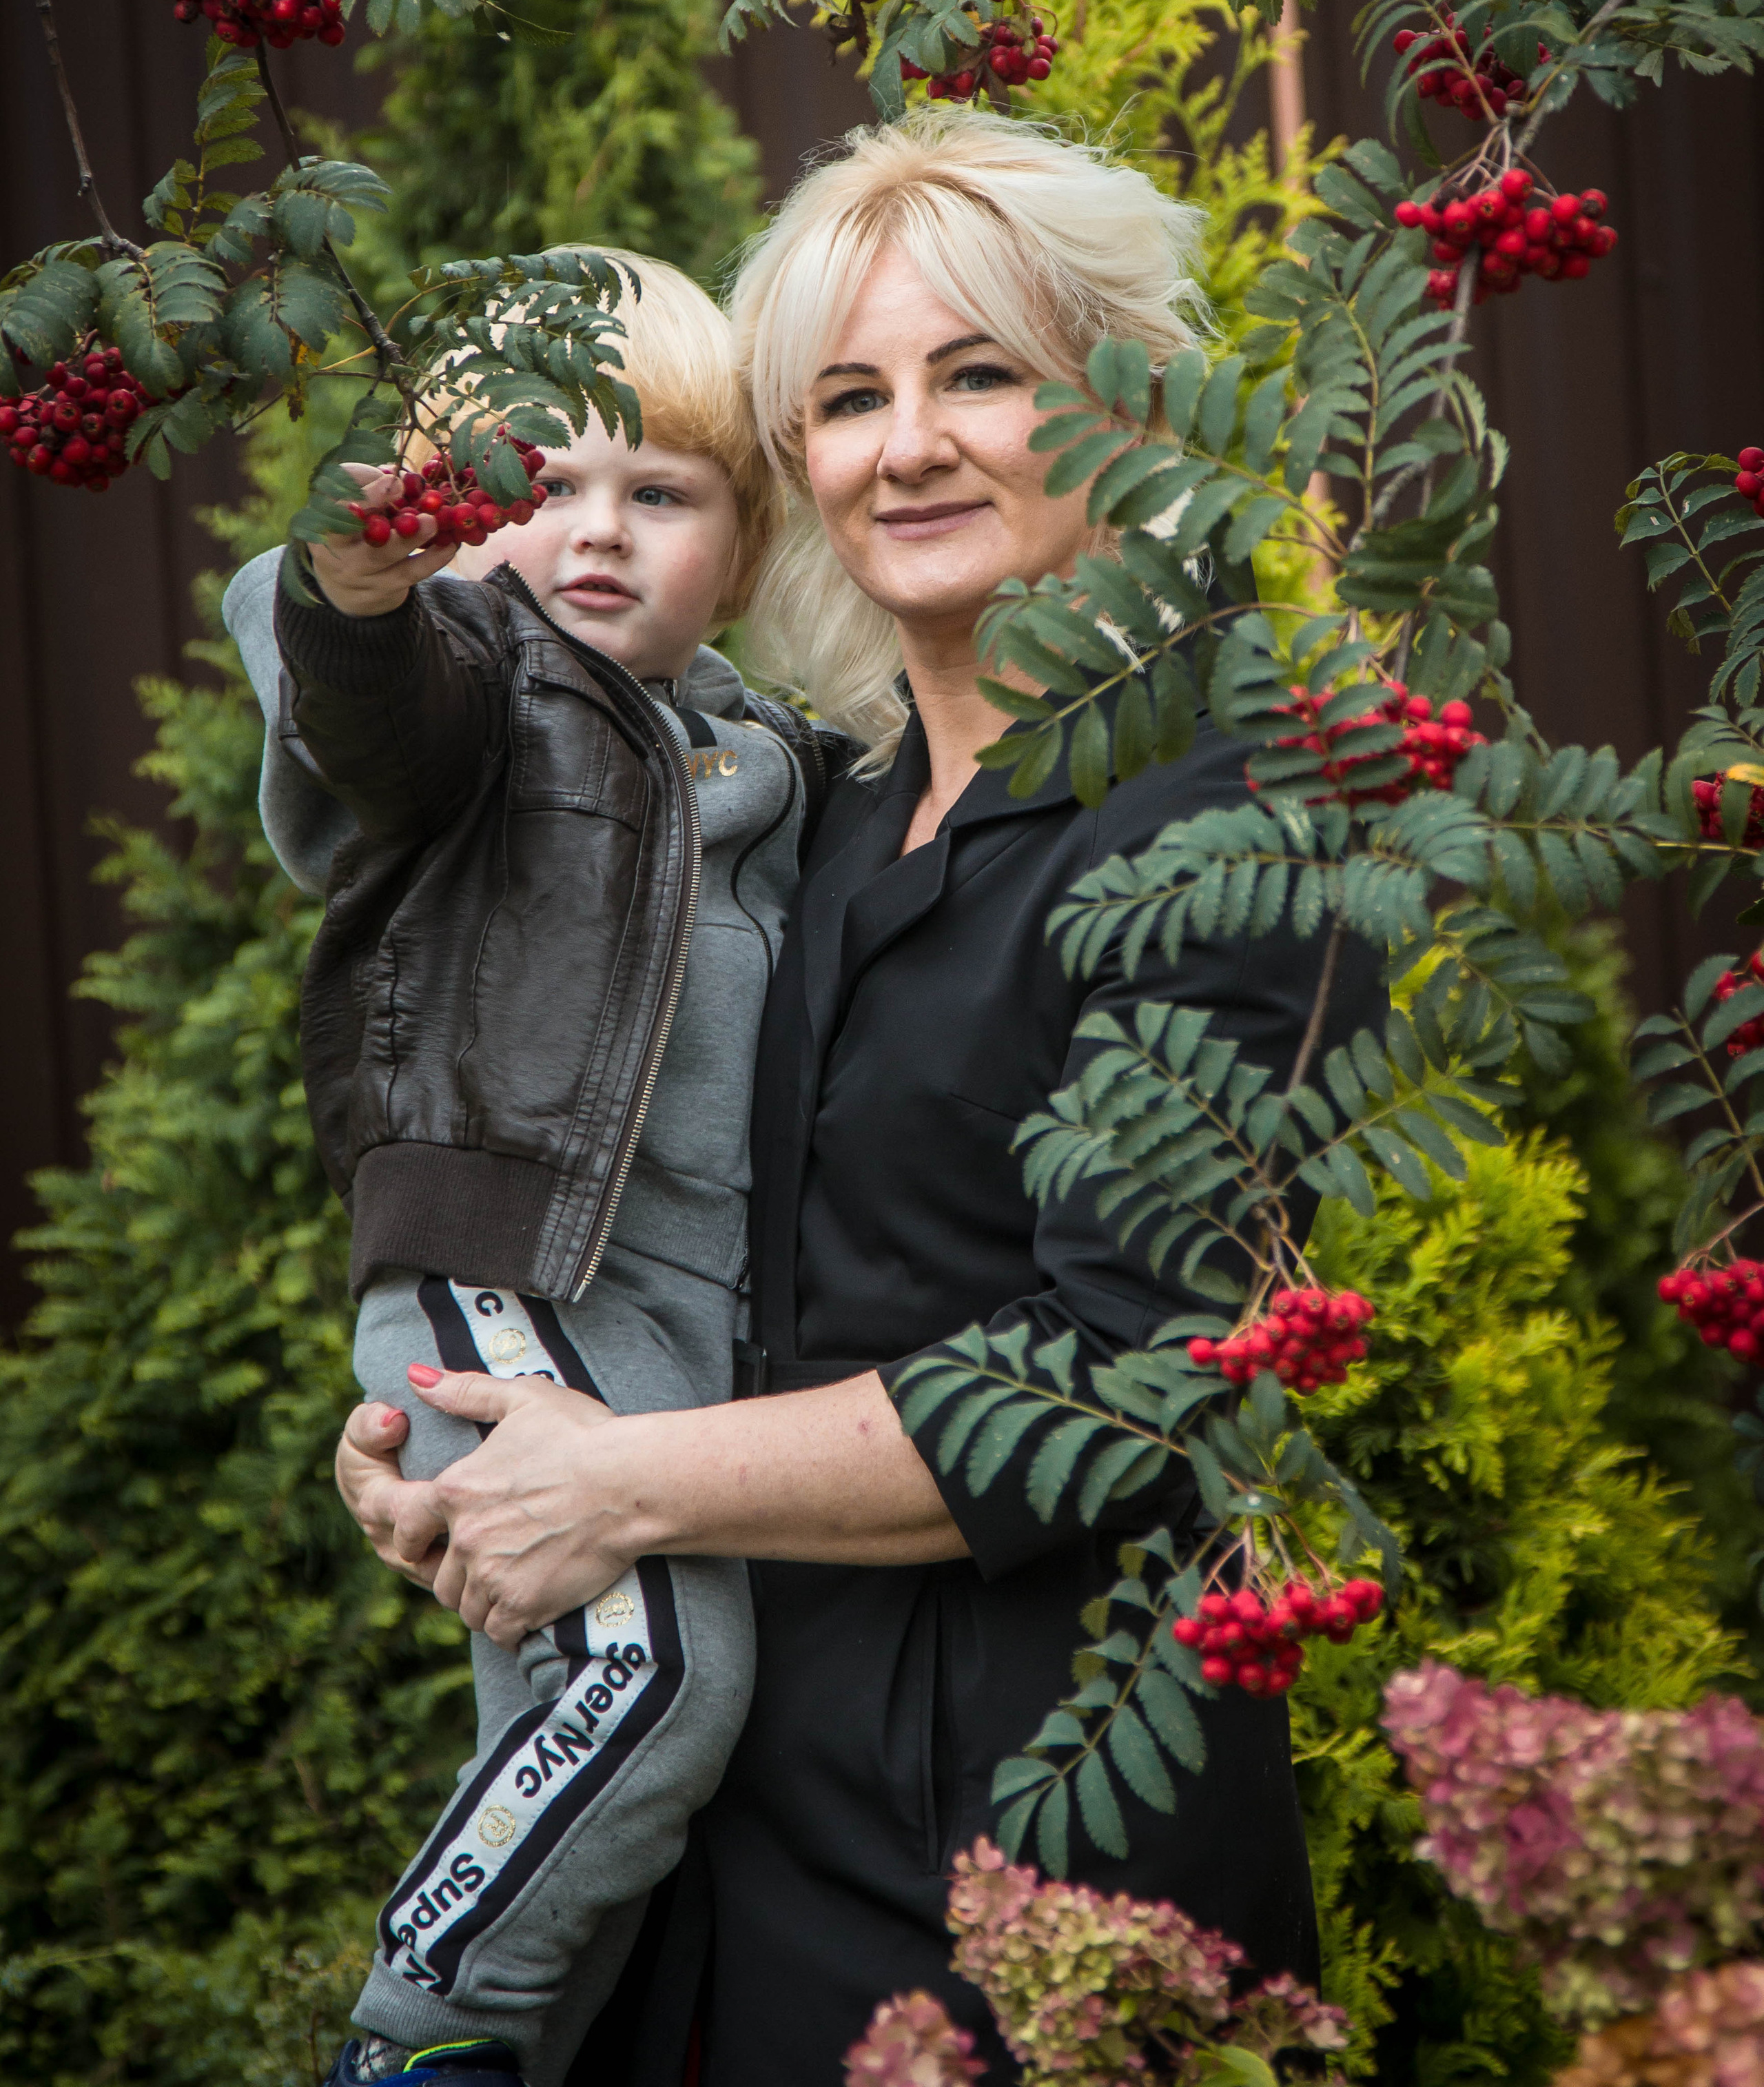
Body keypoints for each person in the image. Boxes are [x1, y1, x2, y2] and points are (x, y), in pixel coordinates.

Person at [334, 112, 1385, 2087]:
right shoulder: (809, 815)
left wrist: (623, 1482)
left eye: (978, 375)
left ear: (1129, 404)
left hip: (1037, 1832)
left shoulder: (1240, 810)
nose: (907, 446)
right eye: (846, 399)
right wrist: (468, 1453)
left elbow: (1130, 1369)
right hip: (722, 1829)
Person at [223, 252, 850, 2087]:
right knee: (659, 1678)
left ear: (741, 546)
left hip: (684, 1330)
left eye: (661, 493)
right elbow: (373, 707)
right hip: (508, 1269)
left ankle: (529, 2056)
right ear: (458, 514)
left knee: (585, 1743)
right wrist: (359, 584)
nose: (595, 530)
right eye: (540, 482)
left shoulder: (766, 755)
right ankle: (417, 2039)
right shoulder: (489, 694)